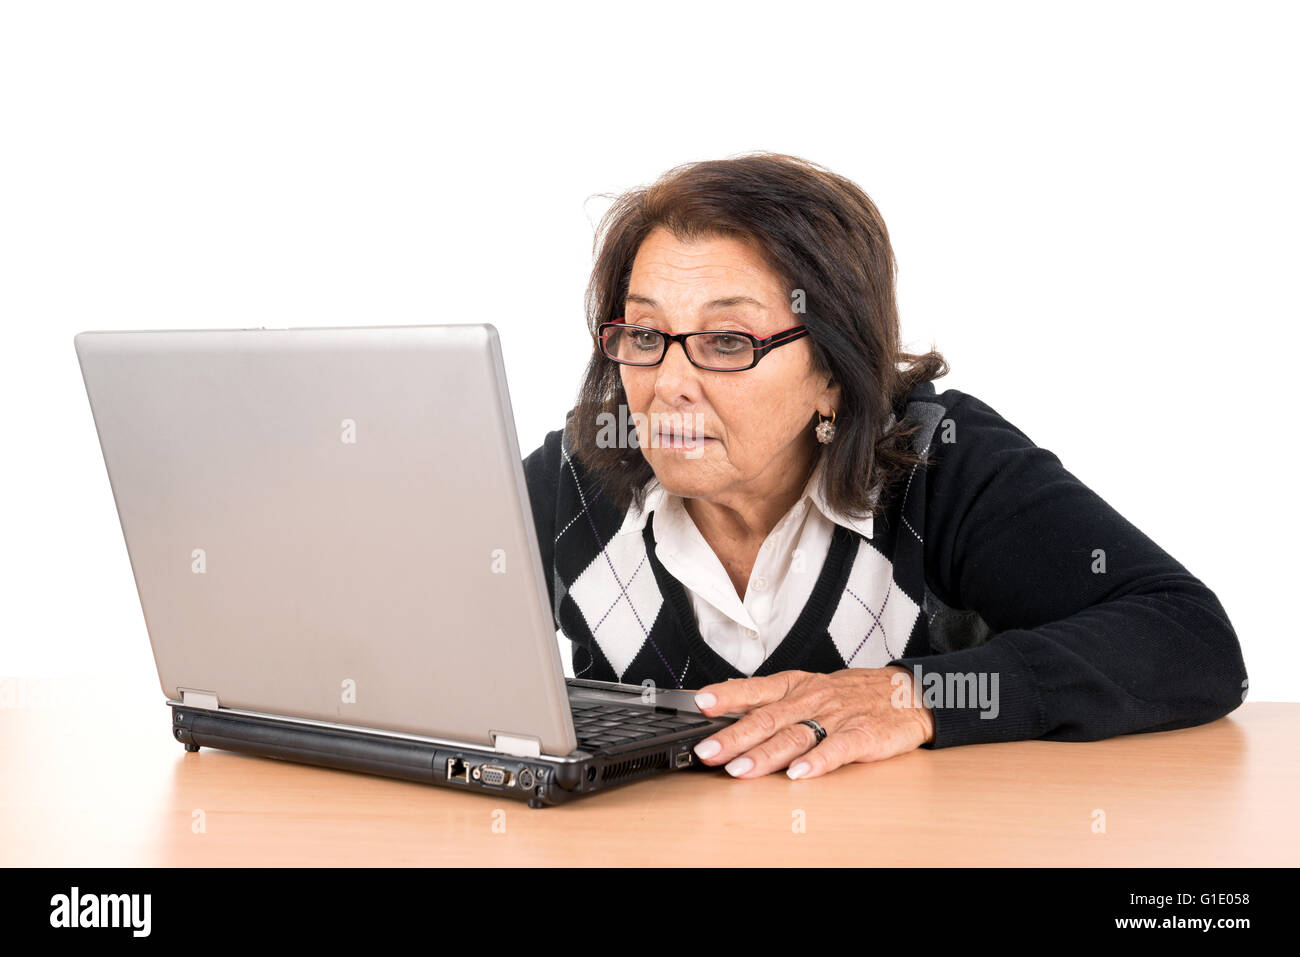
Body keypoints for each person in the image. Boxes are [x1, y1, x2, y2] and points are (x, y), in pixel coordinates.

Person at [522, 152, 1247, 782]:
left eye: (728, 340)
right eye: (646, 332)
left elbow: (1189, 638)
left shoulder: (940, 462)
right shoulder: (571, 482)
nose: (668, 383)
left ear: (834, 370)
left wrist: (914, 694)